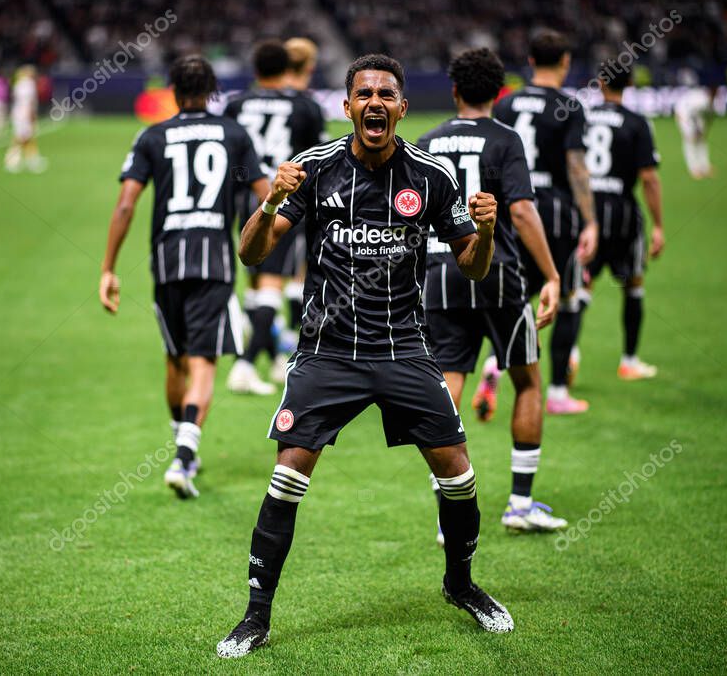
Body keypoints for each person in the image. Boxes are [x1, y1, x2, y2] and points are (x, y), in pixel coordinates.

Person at [216, 54, 512, 660]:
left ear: (402, 107)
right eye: (364, 94)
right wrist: (270, 202)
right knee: (287, 478)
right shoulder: (314, 169)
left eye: (386, 94)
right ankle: (255, 616)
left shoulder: (432, 177)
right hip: (327, 353)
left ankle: (461, 584)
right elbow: (252, 255)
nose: (375, 102)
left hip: (405, 348)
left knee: (458, 474)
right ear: (348, 106)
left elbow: (472, 267)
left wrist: (484, 232)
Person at [100, 55, 269, 499]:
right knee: (204, 359)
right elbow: (262, 192)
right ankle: (185, 454)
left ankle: (181, 439)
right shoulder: (232, 134)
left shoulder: (153, 136)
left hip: (167, 260)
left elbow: (125, 204)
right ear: (212, 90)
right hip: (213, 258)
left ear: (173, 90)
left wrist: (108, 269)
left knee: (175, 355)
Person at [419, 47, 567, 535]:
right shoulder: (506, 139)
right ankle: (520, 504)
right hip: (500, 274)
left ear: (455, 90)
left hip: (441, 275)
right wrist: (551, 274)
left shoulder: (426, 142)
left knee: (449, 385)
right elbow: (522, 212)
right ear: (500, 93)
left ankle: (449, 511)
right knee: (526, 381)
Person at [492, 29, 598, 415]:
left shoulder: (505, 104)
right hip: (552, 209)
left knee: (514, 293)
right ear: (565, 62)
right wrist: (590, 221)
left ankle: (493, 364)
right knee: (567, 297)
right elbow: (576, 166)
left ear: (531, 61)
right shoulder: (569, 107)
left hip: (508, 205)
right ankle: (556, 392)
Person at [224, 40, 328, 394]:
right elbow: (321, 158)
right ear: (287, 69)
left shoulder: (236, 104)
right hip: (284, 197)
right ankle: (246, 364)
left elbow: (228, 155)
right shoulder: (305, 106)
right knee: (273, 283)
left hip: (244, 198)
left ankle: (272, 360)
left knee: (257, 284)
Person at [580, 64, 664, 379]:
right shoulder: (638, 122)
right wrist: (658, 225)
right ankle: (629, 360)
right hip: (623, 212)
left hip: (586, 212)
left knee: (581, 283)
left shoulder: (582, 119)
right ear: (629, 83)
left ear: (600, 83)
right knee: (633, 284)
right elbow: (649, 178)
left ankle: (571, 355)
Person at [674, 68, 714, 179]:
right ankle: (694, 168)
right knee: (690, 143)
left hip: (698, 120)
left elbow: (707, 113)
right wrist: (686, 128)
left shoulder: (701, 94)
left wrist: (703, 127)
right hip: (687, 121)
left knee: (701, 142)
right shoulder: (685, 95)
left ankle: (704, 167)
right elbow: (679, 114)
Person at [5, 65, 46, 173]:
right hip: (24, 115)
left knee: (25, 138)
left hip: (18, 114)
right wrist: (31, 116)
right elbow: (29, 102)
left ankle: (30, 159)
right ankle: (14, 160)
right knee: (22, 138)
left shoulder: (18, 83)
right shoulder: (28, 84)